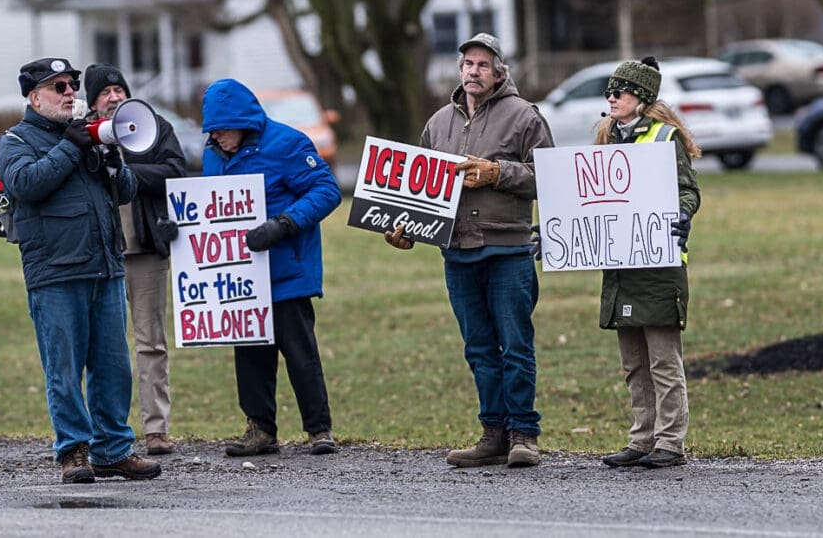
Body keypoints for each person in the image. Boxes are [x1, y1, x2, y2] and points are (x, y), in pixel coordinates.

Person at [384, 33, 553, 468]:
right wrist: (404, 230)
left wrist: (497, 172)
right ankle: (492, 433)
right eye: (467, 64)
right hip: (456, 252)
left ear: (500, 72)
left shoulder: (525, 116)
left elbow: (552, 179)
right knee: (478, 347)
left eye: (482, 64)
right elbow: (417, 193)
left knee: (515, 345)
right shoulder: (438, 122)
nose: (473, 71)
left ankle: (524, 435)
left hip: (508, 250)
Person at [0, 57, 161, 484]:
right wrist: (72, 145)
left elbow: (124, 192)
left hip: (104, 266)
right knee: (64, 368)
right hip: (55, 272)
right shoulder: (13, 141)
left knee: (113, 366)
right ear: (34, 97)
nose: (70, 93)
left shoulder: (87, 137)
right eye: (59, 87)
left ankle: (112, 449)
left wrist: (112, 158)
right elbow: (28, 184)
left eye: (71, 85)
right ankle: (73, 451)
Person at [200, 77, 342, 456]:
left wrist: (284, 224)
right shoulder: (212, 154)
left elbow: (326, 191)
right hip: (241, 277)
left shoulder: (287, 143)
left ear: (244, 123)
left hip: (286, 271)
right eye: (211, 132)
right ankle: (260, 429)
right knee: (249, 355)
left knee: (300, 353)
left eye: (223, 130)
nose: (217, 138)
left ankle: (319, 430)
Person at [592, 56, 700, 469]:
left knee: (663, 360)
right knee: (633, 362)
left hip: (659, 267)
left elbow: (688, 190)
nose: (612, 97)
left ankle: (670, 442)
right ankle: (641, 438)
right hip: (621, 266)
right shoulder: (607, 138)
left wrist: (684, 214)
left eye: (619, 91)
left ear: (641, 97)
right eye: (609, 91)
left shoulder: (665, 138)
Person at [84, 64, 187, 457]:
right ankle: (105, 431)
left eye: (119, 89)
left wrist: (125, 171)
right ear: (92, 101)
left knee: (150, 341)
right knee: (102, 346)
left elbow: (175, 169)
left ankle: (155, 429)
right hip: (98, 253)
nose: (114, 96)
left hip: (143, 247)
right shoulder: (77, 132)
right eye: (106, 92)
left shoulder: (152, 125)